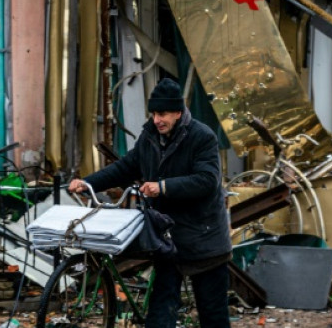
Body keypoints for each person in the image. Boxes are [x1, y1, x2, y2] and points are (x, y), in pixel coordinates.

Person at [69, 78, 231, 328]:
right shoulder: (150, 137)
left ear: (178, 112)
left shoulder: (202, 137)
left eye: (163, 113)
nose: (157, 120)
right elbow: (125, 167)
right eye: (154, 113)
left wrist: (163, 186)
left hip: (204, 239)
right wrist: (87, 182)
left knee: (212, 313)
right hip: (168, 237)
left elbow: (207, 180)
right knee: (161, 306)